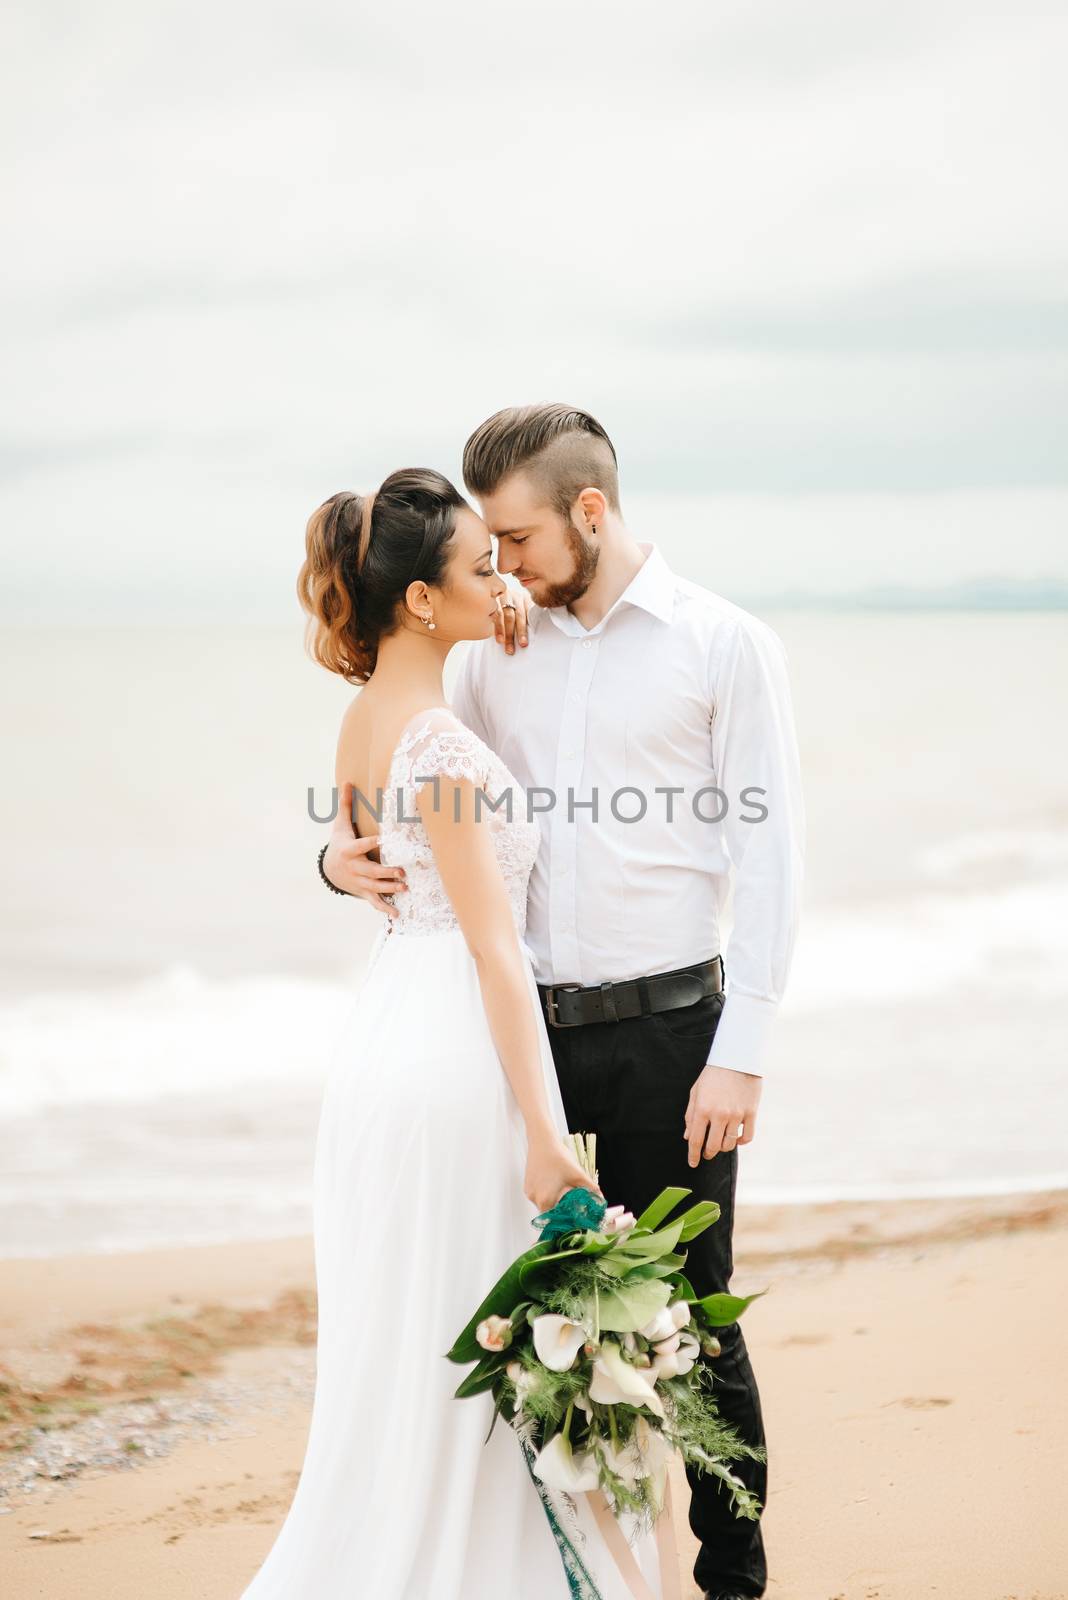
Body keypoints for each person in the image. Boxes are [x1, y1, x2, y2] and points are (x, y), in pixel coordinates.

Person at [325, 406, 806, 1600]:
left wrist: (739, 1049)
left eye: (520, 538)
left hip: (670, 1035)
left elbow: (776, 859)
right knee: (515, 1319)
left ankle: (731, 1575)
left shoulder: (724, 645)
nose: (506, 566)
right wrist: (334, 863)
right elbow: (401, 796)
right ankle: (549, 1561)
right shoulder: (488, 654)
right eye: (487, 544)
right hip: (516, 1043)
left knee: (691, 1317)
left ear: (589, 512)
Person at [241, 466, 665, 1600]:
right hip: (455, 1057)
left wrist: (332, 863)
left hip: (385, 1037)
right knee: (483, 1321)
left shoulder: (365, 719)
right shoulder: (448, 751)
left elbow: (361, 856)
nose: (509, 580)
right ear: (421, 602)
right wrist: (545, 1131)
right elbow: (494, 951)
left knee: (412, 1326)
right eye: (485, 568)